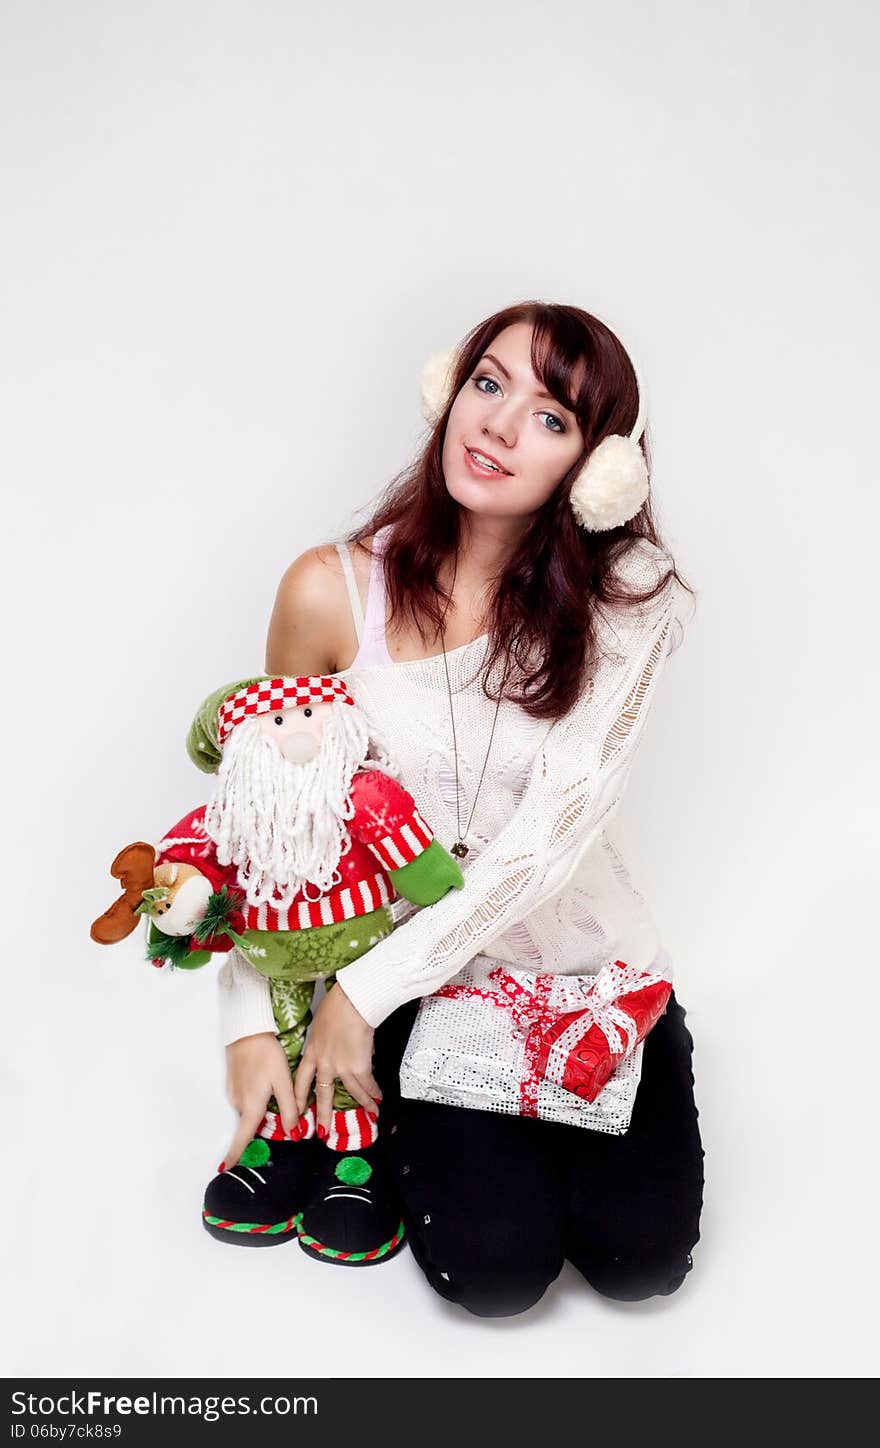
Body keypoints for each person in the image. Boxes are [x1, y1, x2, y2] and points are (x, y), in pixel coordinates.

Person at [206, 300, 706, 1312]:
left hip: (587, 979)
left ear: (598, 470)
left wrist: (357, 992)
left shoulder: (631, 597)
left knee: (638, 1261)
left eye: (552, 416)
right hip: (426, 1000)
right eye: (488, 382)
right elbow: (275, 828)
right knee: (494, 1274)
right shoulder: (328, 591)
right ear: (448, 390)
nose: (498, 424)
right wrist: (253, 1023)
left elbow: (552, 831)